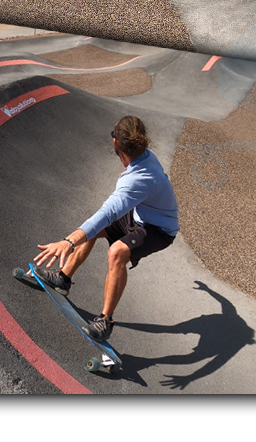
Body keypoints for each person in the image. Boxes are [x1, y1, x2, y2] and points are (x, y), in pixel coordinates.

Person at [33, 115, 179, 342]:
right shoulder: (146, 157)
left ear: (115, 144)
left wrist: (68, 241)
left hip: (159, 229)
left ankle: (105, 320)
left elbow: (107, 212)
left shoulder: (137, 180)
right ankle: (63, 278)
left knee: (117, 252)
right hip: (140, 214)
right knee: (95, 230)